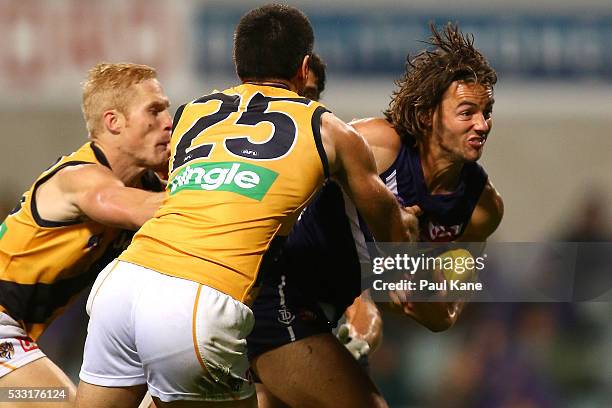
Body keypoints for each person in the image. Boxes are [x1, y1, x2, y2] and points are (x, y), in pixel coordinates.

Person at [76, 4, 419, 408]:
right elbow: (389, 227)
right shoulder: (329, 129)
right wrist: (407, 226)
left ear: (238, 67)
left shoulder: (192, 113)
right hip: (199, 300)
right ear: (305, 67)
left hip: (124, 283)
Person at [247, 22, 504, 408]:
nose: (482, 125)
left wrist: (417, 286)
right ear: (427, 115)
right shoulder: (377, 144)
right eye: (467, 112)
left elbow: (446, 314)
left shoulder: (483, 209)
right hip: (279, 295)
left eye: (487, 112)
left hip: (327, 319)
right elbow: (280, 189)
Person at [0, 62, 171, 405]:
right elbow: (130, 205)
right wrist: (220, 183)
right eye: (154, 111)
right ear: (113, 122)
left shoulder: (148, 184)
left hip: (19, 331)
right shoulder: (78, 178)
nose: (168, 122)